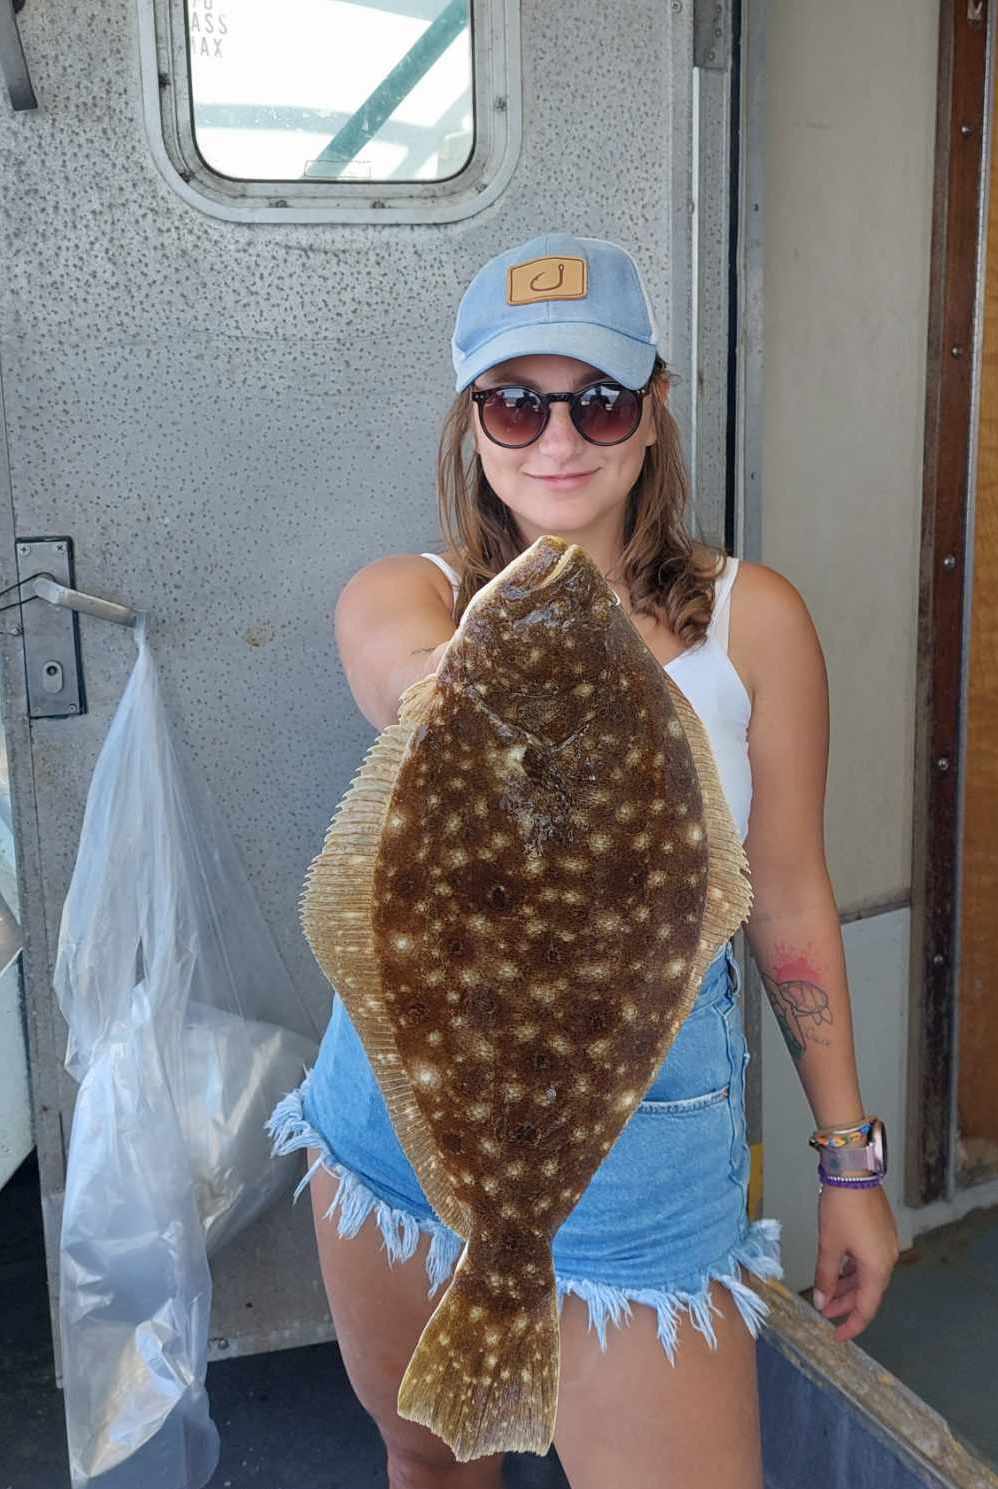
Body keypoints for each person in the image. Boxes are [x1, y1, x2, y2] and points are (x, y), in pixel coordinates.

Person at [269, 232, 901, 1489]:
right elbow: (395, 667)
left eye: (597, 400)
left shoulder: (751, 621)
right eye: (515, 402)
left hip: (650, 1134)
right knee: (428, 1454)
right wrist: (471, 675)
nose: (557, 439)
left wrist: (848, 1164)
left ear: (653, 414)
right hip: (410, 1098)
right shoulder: (421, 598)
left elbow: (782, 894)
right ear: (472, 422)